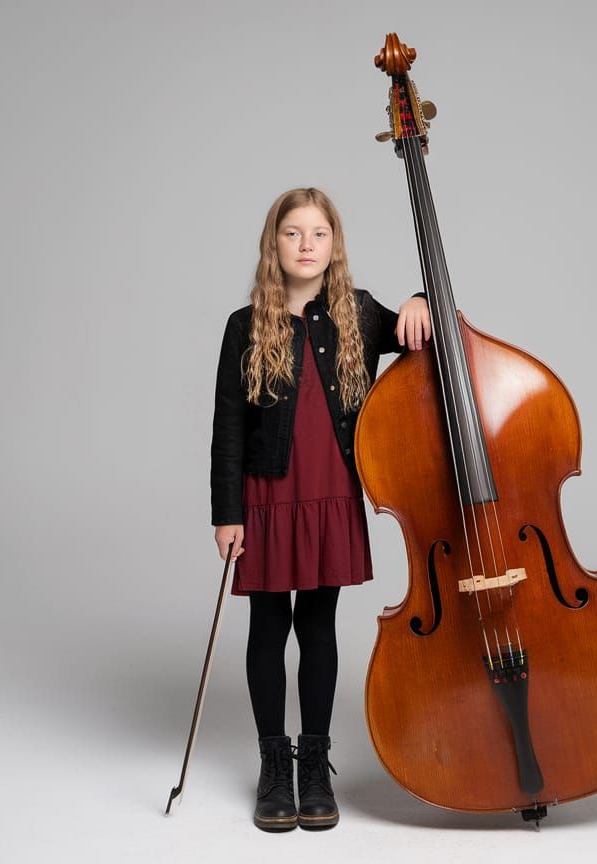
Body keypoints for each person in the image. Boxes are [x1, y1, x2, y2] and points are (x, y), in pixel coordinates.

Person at [210, 187, 431, 832]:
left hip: (332, 491)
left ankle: (315, 763)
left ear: (334, 246)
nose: (306, 245)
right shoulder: (244, 324)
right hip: (269, 496)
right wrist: (228, 513)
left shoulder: (357, 312)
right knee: (269, 627)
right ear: (272, 244)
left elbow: (428, 329)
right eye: (292, 233)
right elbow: (227, 428)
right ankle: (273, 765)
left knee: (319, 627)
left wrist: (419, 297)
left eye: (319, 234)